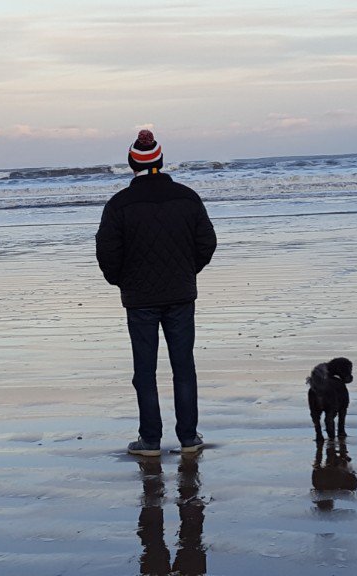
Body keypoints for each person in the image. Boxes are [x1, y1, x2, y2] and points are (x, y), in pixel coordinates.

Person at [95, 129, 217, 456]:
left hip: (140, 300)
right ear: (160, 161)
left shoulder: (119, 204)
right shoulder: (187, 197)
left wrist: (122, 280)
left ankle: (150, 440)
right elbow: (207, 243)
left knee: (145, 371)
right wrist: (187, 272)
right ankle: (188, 438)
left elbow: (106, 253)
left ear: (132, 163)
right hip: (179, 294)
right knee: (183, 367)